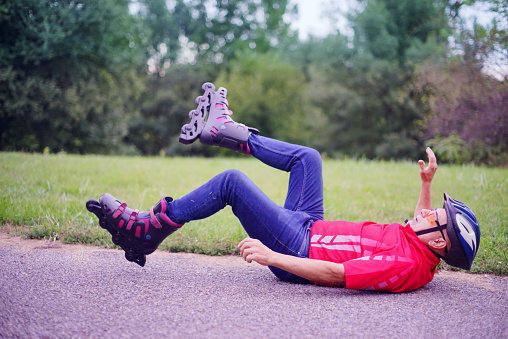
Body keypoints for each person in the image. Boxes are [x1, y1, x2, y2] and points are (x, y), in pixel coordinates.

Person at [86, 83, 480, 293]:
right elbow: (418, 222)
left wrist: (274, 256)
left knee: (231, 183)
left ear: (442, 243)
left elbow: (336, 273)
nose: (427, 213)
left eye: (436, 218)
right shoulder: (421, 246)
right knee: (308, 158)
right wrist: (426, 185)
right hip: (310, 227)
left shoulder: (406, 266)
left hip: (298, 248)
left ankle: (146, 231)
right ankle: (226, 130)